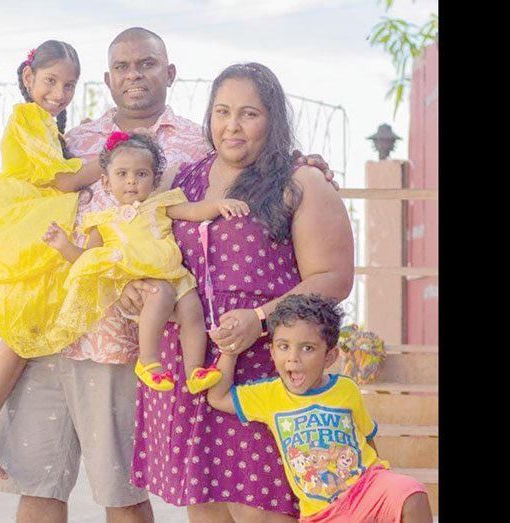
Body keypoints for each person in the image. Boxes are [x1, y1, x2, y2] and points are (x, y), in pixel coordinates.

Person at [0, 27, 336, 523]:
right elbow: (30, 190)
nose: (135, 75)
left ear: (169, 72)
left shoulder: (199, 145)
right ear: (108, 78)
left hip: (141, 345)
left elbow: (246, 165)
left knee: (129, 494)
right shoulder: (79, 138)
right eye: (124, 67)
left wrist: (302, 161)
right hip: (67, 329)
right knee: (44, 488)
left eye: (147, 64)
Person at [124, 62, 354, 523]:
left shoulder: (300, 181)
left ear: (273, 119)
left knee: (264, 506)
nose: (232, 125)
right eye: (222, 111)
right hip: (192, 365)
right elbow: (143, 241)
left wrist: (261, 318)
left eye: (249, 114)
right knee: (204, 502)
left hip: (264, 366)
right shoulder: (181, 180)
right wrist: (134, 284)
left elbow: (333, 278)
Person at [0, 39, 103, 487]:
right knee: (19, 330)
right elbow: (63, 179)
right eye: (51, 81)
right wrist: (115, 153)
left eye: (70, 85)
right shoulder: (26, 118)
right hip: (22, 218)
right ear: (28, 78)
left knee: (31, 324)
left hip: (37, 218)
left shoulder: (49, 125)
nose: (59, 93)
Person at [43, 130, 248, 393]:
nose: (131, 181)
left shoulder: (161, 204)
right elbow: (89, 260)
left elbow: (194, 210)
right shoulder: (103, 222)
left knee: (192, 311)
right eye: (122, 174)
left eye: (141, 174)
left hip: (173, 272)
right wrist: (64, 246)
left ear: (154, 180)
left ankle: (195, 370)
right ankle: (149, 361)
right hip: (140, 279)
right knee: (160, 293)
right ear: (106, 182)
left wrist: (219, 204)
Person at [207, 294, 433, 523]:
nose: (293, 358)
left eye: (307, 348)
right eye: (284, 346)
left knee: (412, 492)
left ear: (329, 356)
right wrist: (230, 350)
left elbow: (366, 437)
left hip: (365, 489)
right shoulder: (268, 395)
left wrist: (383, 487)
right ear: (273, 352)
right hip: (321, 514)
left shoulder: (346, 389)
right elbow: (218, 396)